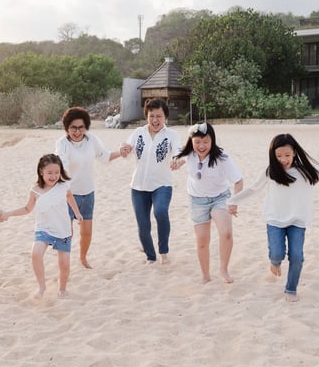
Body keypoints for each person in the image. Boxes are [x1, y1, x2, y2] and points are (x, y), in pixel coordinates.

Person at [228, 133, 319, 302]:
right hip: (275, 220)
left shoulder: (305, 172)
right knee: (277, 254)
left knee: (296, 256)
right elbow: (252, 189)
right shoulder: (270, 171)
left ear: (294, 152)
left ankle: (291, 288)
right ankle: (274, 263)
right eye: (278, 156)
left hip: (297, 221)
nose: (283, 159)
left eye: (287, 155)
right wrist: (233, 200)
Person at [0, 154, 83, 298]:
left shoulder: (63, 186)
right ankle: (41, 286)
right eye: (49, 173)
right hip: (43, 229)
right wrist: (8, 214)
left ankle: (62, 288)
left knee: (64, 264)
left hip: (63, 229)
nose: (53, 176)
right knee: (36, 253)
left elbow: (69, 197)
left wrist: (77, 213)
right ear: (41, 172)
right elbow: (27, 209)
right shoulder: (35, 190)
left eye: (57, 172)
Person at [171, 122, 244, 284]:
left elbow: (238, 181)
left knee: (226, 233)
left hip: (220, 198)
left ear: (212, 141)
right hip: (197, 200)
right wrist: (176, 163)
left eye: (205, 141)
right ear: (191, 142)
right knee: (202, 241)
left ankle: (224, 269)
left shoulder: (222, 157)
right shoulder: (188, 154)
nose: (201, 146)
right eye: (197, 142)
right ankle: (205, 274)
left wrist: (234, 202)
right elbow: (178, 159)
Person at [55, 107, 120, 269]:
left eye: (81, 127)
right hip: (68, 194)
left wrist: (121, 152)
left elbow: (104, 156)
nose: (77, 131)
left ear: (86, 127)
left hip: (87, 193)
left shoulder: (91, 139)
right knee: (66, 233)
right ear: (67, 128)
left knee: (86, 232)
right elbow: (61, 169)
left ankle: (83, 258)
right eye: (73, 128)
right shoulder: (61, 144)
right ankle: (65, 262)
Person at [119, 98, 182, 264]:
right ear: (146, 115)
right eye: (152, 116)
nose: (155, 120)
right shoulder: (138, 132)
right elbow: (127, 148)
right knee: (143, 226)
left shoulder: (172, 135)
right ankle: (150, 256)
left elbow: (178, 151)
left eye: (159, 116)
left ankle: (164, 252)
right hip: (138, 187)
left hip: (162, 184)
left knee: (161, 212)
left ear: (165, 117)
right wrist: (123, 149)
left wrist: (177, 160)